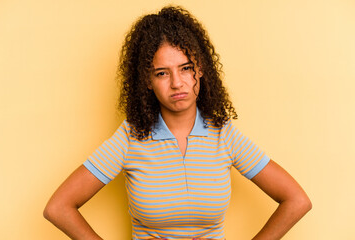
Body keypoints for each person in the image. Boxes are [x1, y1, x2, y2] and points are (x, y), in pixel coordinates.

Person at [44, 6, 311, 240]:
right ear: (147, 81)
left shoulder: (224, 134)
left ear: (201, 69)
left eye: (186, 68)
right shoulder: (129, 138)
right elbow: (58, 208)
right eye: (162, 73)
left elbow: (297, 201)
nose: (177, 83)